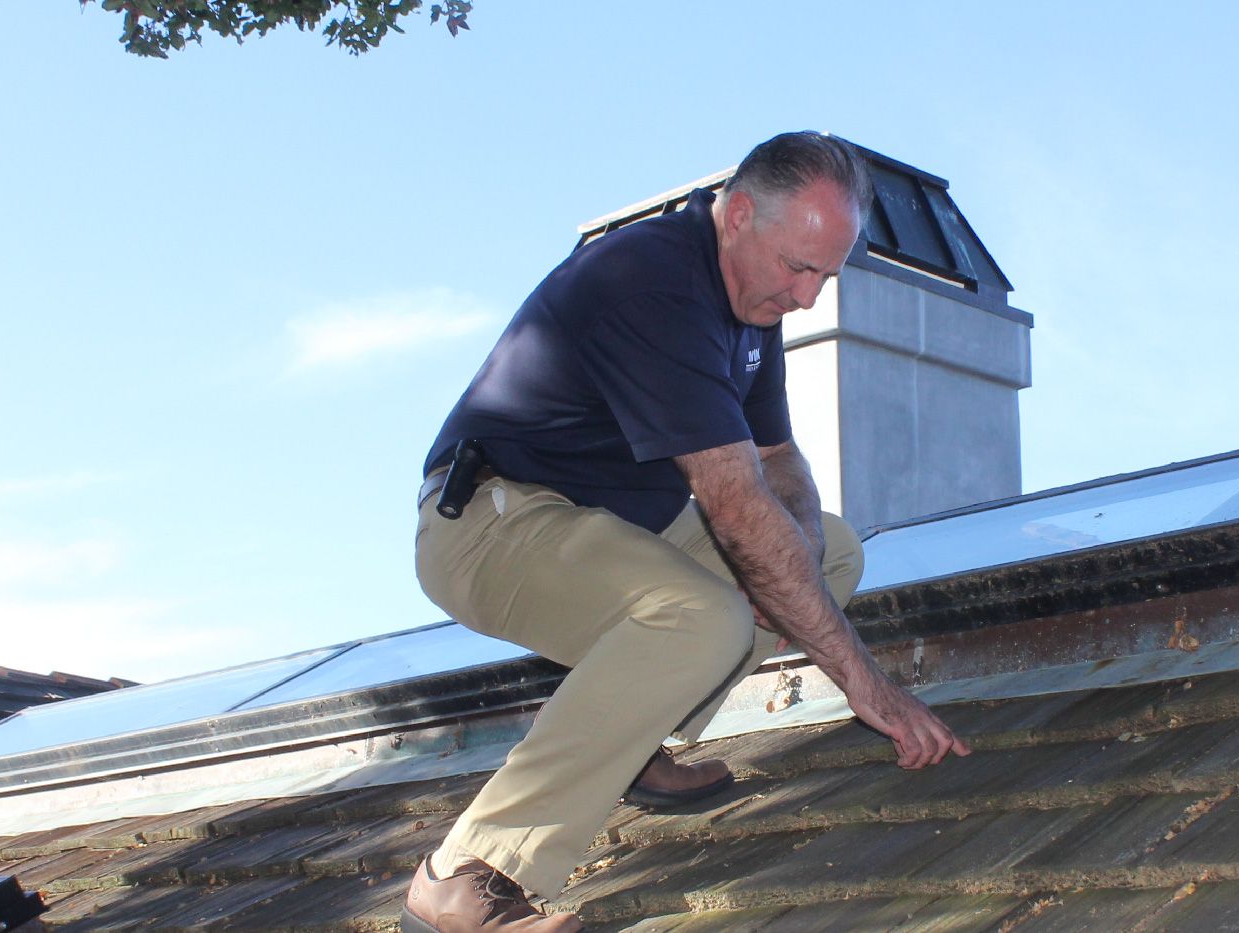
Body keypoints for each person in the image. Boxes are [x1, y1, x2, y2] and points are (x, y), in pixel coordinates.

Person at [401, 132, 971, 933]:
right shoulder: (650, 282)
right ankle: (466, 871)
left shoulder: (748, 300)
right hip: (491, 523)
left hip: (612, 525)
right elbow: (734, 504)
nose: (808, 298)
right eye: (797, 269)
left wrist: (797, 551)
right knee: (704, 613)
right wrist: (866, 685)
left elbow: (776, 458)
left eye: (825, 275)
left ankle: (632, 744)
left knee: (829, 551)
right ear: (737, 215)